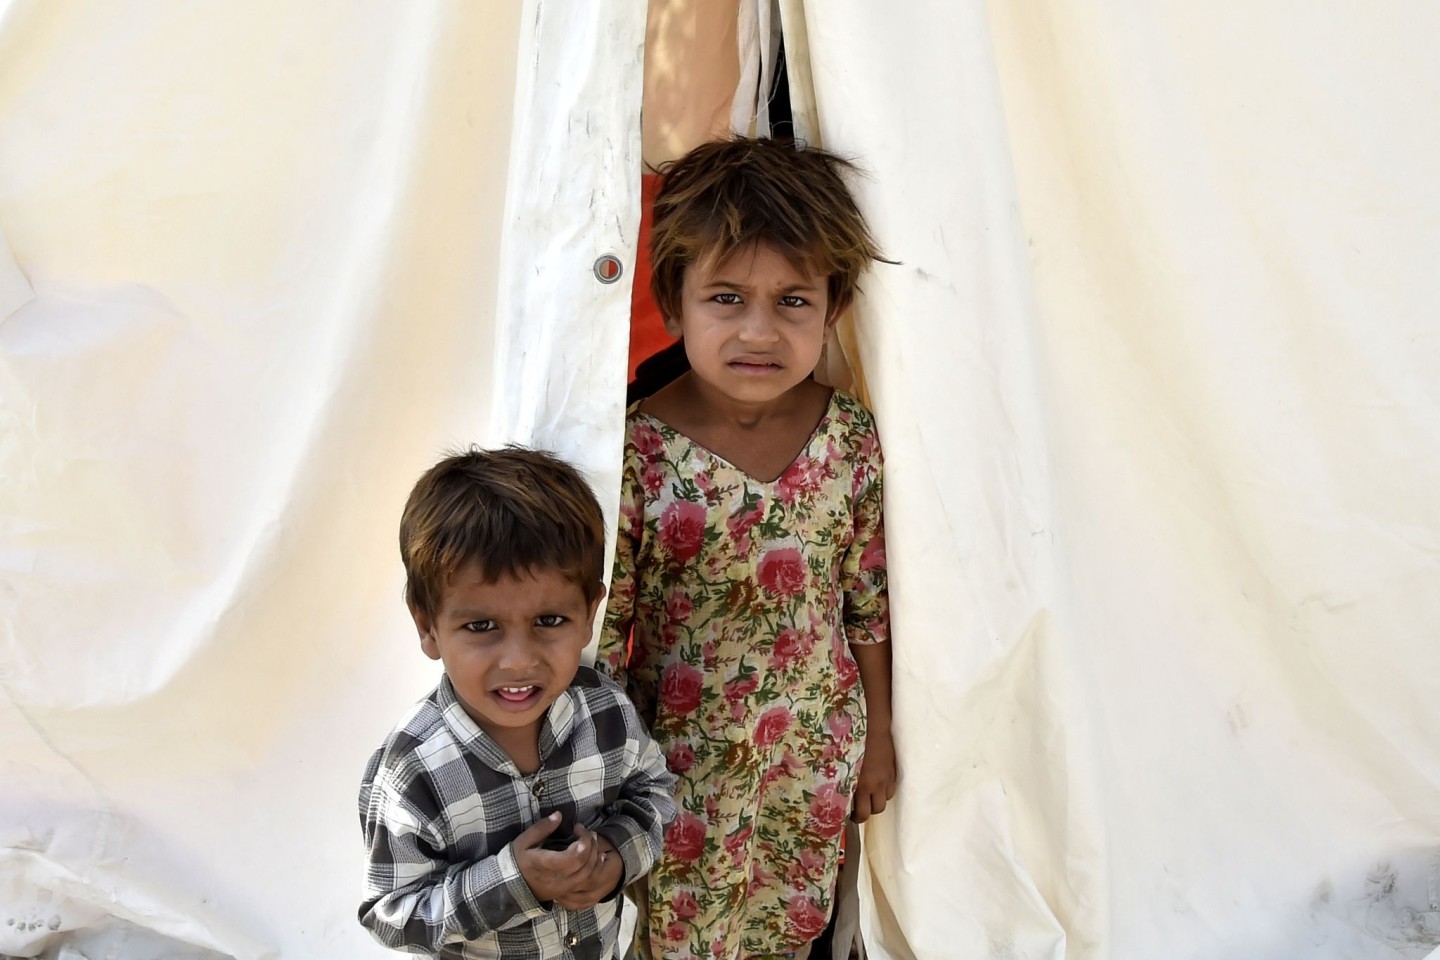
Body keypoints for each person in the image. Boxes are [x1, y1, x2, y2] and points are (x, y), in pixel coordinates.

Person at [600, 136, 895, 959]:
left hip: (813, 756)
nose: (759, 332)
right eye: (726, 299)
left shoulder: (849, 437)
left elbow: (865, 603)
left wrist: (878, 736)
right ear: (673, 301)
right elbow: (605, 635)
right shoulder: (637, 453)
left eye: (793, 302)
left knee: (788, 932)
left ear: (833, 308)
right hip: (682, 771)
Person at [359, 447, 677, 959]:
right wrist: (513, 883)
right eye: (481, 627)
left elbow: (655, 794)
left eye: (549, 621)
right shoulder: (412, 772)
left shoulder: (606, 713)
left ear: (590, 611)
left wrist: (616, 854)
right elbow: (395, 916)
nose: (518, 661)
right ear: (427, 627)